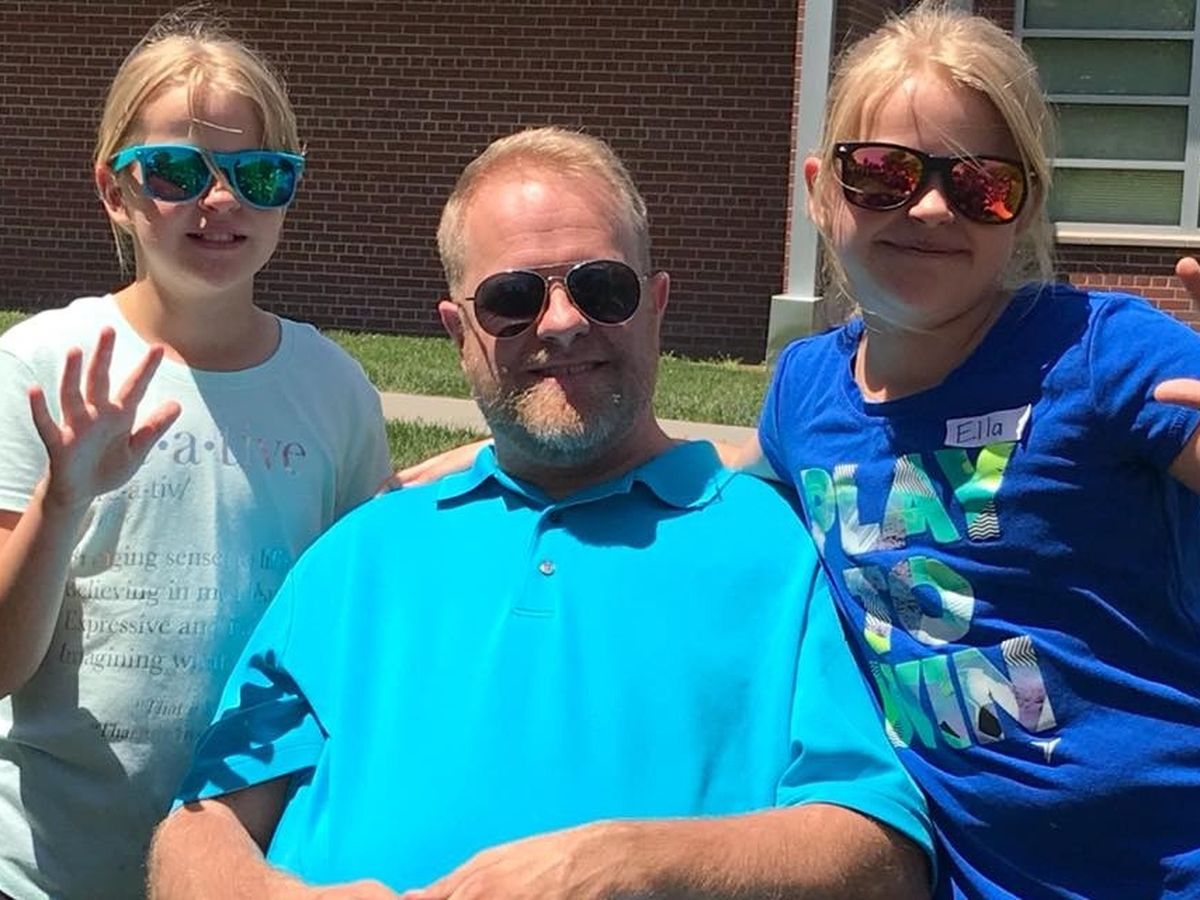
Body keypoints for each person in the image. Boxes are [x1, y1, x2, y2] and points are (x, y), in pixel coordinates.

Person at [146, 126, 934, 899]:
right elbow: (200, 827)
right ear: (459, 333)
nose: (562, 321)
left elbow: (882, 851)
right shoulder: (361, 549)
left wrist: (631, 864)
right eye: (512, 299)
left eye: (602, 288)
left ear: (656, 305)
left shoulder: (789, 549)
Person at [740, 3, 1200, 897]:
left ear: (1024, 210)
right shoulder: (802, 391)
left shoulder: (1102, 350)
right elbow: (740, 488)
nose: (930, 207)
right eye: (883, 173)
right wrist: (489, 465)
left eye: (981, 184)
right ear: (820, 190)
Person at [0, 13, 389, 898]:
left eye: (260, 174)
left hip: (247, 864)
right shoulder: (42, 366)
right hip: (48, 868)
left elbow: (355, 623)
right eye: (177, 171)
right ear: (114, 190)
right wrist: (62, 502)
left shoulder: (332, 389)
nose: (221, 201)